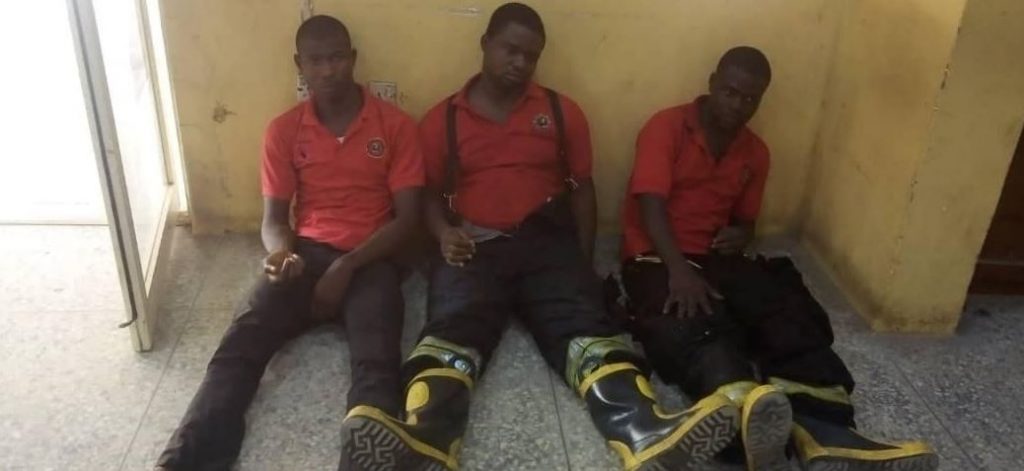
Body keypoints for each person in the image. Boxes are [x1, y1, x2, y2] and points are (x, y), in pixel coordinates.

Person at [337, 4, 741, 471]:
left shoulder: (561, 111)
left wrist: (582, 264)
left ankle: (644, 433)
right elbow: (425, 193)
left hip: (546, 242)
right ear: (485, 44)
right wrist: (444, 233)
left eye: (531, 55)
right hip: (472, 245)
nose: (520, 63)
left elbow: (582, 188)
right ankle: (426, 439)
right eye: (510, 50)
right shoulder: (442, 119)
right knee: (452, 332)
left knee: (589, 333)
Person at [616, 45, 939, 471]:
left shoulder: (756, 152)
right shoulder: (667, 126)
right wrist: (678, 270)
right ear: (712, 84)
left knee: (782, 309)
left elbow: (746, 221)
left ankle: (824, 430)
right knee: (690, 321)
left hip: (716, 257)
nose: (738, 105)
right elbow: (650, 204)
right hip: (658, 257)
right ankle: (737, 410)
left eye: (750, 98)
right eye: (730, 92)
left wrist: (742, 234)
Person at [154, 15, 425, 471]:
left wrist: (347, 266)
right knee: (239, 345)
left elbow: (409, 220)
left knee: (378, 357)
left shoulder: (394, 125)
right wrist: (281, 255)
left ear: (353, 59)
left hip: (372, 257)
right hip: (307, 253)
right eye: (315, 61)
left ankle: (367, 459)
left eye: (337, 58)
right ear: (299, 65)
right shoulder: (284, 130)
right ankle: (188, 458)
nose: (328, 70)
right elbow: (274, 221)